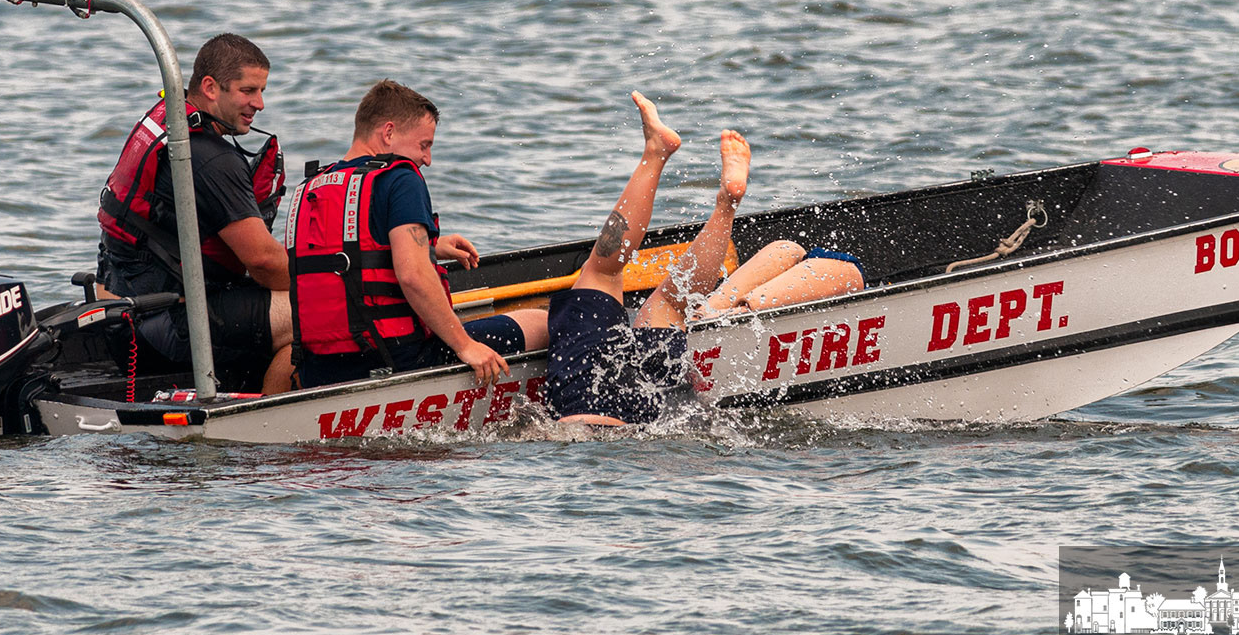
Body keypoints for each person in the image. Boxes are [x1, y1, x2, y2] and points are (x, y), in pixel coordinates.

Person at [545, 93, 866, 426]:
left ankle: (717, 213)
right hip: (614, 377)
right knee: (614, 275)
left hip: (620, 417)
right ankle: (707, 193)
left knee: (661, 298)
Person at [286, 80, 548, 388]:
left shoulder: (310, 187)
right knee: (547, 320)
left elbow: (353, 255)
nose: (427, 159)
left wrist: (432, 247)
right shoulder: (400, 178)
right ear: (389, 132)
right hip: (397, 360)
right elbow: (412, 275)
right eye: (424, 145)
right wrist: (466, 346)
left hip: (322, 369)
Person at [96, 33, 297, 395]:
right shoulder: (210, 157)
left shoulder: (165, 125)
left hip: (122, 315)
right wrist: (326, 280)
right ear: (210, 87)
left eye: (261, 91)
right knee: (320, 313)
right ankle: (269, 431)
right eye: (248, 91)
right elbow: (264, 262)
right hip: (163, 327)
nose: (260, 104)